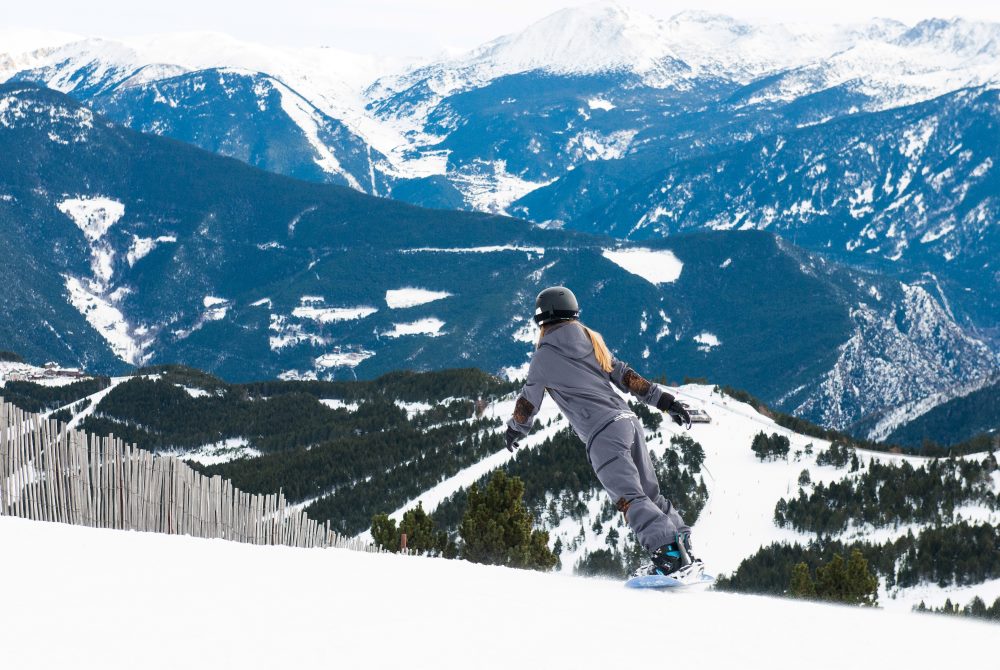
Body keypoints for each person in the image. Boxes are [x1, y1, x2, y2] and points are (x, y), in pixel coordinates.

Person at [505, 286, 699, 577]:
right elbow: (627, 377)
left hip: (604, 434)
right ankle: (682, 546)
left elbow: (528, 401)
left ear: (541, 321)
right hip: (629, 423)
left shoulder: (543, 356)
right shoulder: (590, 339)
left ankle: (668, 556)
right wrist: (665, 401)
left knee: (629, 498)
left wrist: (514, 430)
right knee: (649, 494)